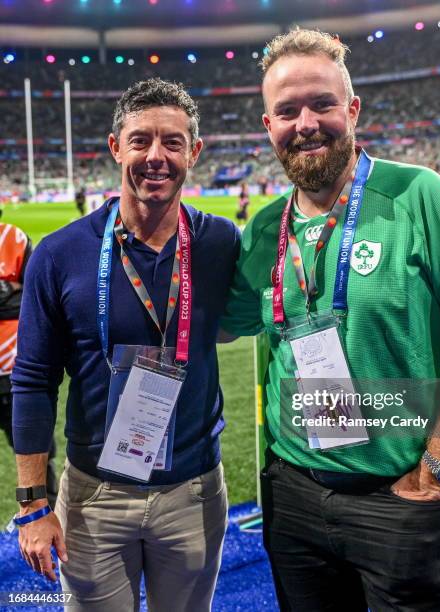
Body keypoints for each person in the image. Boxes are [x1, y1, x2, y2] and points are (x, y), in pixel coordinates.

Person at [220, 30, 440, 611]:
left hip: (402, 499)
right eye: (287, 111)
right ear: (268, 126)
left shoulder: (419, 194)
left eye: (322, 104)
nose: (305, 122)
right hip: (295, 499)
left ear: (352, 109)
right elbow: (219, 325)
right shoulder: (262, 230)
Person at [12, 78, 240, 611]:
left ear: (195, 152)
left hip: (194, 492)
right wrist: (32, 504)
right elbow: (33, 381)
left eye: (172, 142)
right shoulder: (59, 254)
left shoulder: (221, 243)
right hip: (94, 498)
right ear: (116, 147)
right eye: (140, 141)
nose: (155, 156)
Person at [0, 214, 58, 508]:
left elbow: (37, 300)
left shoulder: (15, 239)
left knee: (36, 448)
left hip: (14, 368)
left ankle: (46, 508)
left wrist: (11, 300)